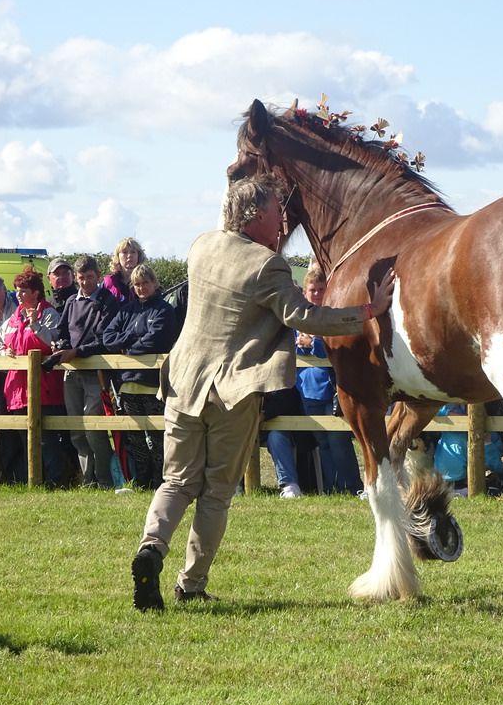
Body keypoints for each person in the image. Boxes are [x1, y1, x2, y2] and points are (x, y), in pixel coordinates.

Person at [130, 174, 395, 611]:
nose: (282, 223)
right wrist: (368, 312)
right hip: (231, 392)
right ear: (255, 216)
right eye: (276, 213)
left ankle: (151, 547)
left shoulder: (200, 247)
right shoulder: (267, 265)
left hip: (182, 383)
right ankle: (190, 584)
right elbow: (305, 316)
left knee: (175, 481)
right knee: (216, 492)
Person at [101, 263, 178, 490]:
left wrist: (128, 346)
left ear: (154, 283)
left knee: (157, 440)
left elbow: (155, 340)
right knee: (135, 441)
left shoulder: (164, 310)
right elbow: (108, 338)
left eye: (145, 283)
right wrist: (132, 336)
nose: (142, 288)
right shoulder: (126, 310)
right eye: (137, 284)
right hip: (127, 386)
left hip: (154, 385)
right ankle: (142, 483)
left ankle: (160, 483)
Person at [0, 267, 65, 485]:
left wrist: (35, 325)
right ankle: (30, 481)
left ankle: (55, 481)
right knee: (25, 440)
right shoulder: (12, 320)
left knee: (48, 440)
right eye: (16, 290)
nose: (18, 295)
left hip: (44, 389)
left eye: (23, 290)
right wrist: (3, 353)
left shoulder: (49, 314)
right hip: (16, 391)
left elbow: (52, 344)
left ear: (36, 292)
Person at [295, 266, 364, 494]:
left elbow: (335, 349)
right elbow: (295, 346)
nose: (316, 294)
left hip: (332, 389)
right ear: (305, 292)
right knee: (322, 442)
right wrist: (309, 346)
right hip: (307, 389)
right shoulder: (299, 317)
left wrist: (313, 344)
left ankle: (353, 487)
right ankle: (332, 488)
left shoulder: (333, 316)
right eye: (312, 290)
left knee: (338, 441)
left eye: (321, 289)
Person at [54, 255, 121, 488]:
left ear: (98, 276)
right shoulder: (72, 301)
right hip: (71, 372)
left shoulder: (108, 301)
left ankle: (104, 479)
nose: (85, 283)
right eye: (81, 278)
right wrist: (60, 345)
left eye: (89, 278)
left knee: (94, 428)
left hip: (96, 372)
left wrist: (77, 351)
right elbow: (62, 332)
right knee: (76, 429)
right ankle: (87, 479)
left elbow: (106, 339)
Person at [103, 237, 147, 303]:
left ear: (139, 256)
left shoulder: (147, 281)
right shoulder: (109, 282)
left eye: (133, 252)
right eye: (125, 252)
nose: (129, 255)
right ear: (117, 257)